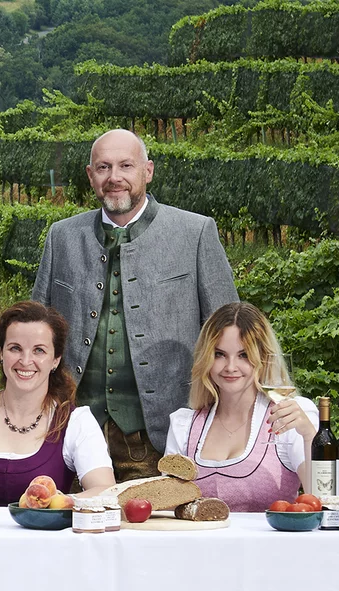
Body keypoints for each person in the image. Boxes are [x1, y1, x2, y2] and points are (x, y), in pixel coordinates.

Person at [31, 128, 239, 482]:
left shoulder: (195, 233)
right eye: (104, 167)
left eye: (126, 166)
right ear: (90, 175)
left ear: (148, 171)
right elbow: (34, 330)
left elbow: (232, 335)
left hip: (158, 437)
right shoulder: (62, 237)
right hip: (67, 435)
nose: (115, 178)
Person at [0, 302, 115, 507]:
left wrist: (51, 503)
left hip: (46, 539)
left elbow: (105, 491)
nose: (25, 360)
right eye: (15, 348)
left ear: (55, 360)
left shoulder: (76, 422)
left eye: (39, 351)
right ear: (1, 353)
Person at [165, 302, 318, 512]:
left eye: (243, 355)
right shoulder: (184, 426)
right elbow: (167, 507)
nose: (230, 367)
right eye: (219, 354)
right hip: (200, 544)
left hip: (271, 544)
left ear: (264, 358)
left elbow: (321, 498)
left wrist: (310, 437)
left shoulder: (289, 415)